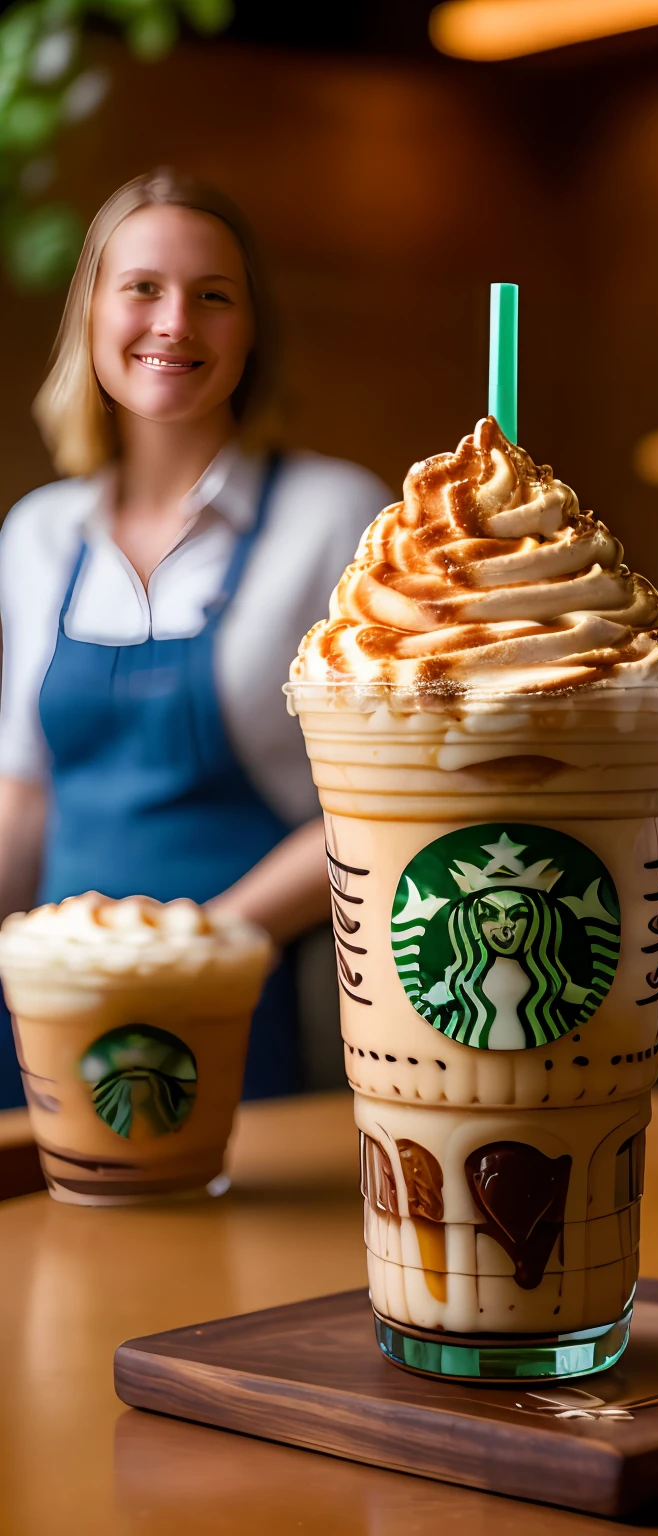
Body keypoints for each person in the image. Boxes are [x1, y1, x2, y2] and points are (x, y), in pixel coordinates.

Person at [0, 169, 389, 1107]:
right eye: (142, 288)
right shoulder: (39, 532)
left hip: (239, 1004)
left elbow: (375, 803)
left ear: (251, 332)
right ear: (90, 314)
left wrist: (194, 956)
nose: (175, 323)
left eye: (213, 297)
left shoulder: (339, 519)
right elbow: (23, 798)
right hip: (50, 1011)